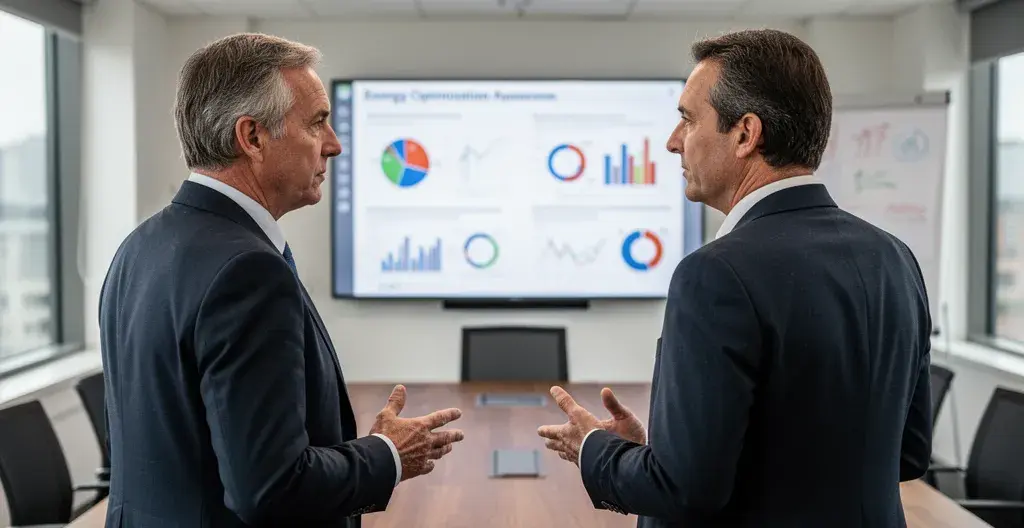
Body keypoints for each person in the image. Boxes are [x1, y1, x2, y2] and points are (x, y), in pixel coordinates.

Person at [538, 28, 932, 527]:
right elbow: (908, 454)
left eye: (687, 119)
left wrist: (595, 448)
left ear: (745, 134)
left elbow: (684, 492)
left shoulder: (715, 275)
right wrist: (662, 454)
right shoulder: (895, 257)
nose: (672, 141)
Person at [98, 33, 464, 527]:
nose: (333, 145)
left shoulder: (139, 246)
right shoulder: (247, 272)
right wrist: (388, 455)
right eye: (317, 124)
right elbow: (272, 490)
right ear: (251, 138)